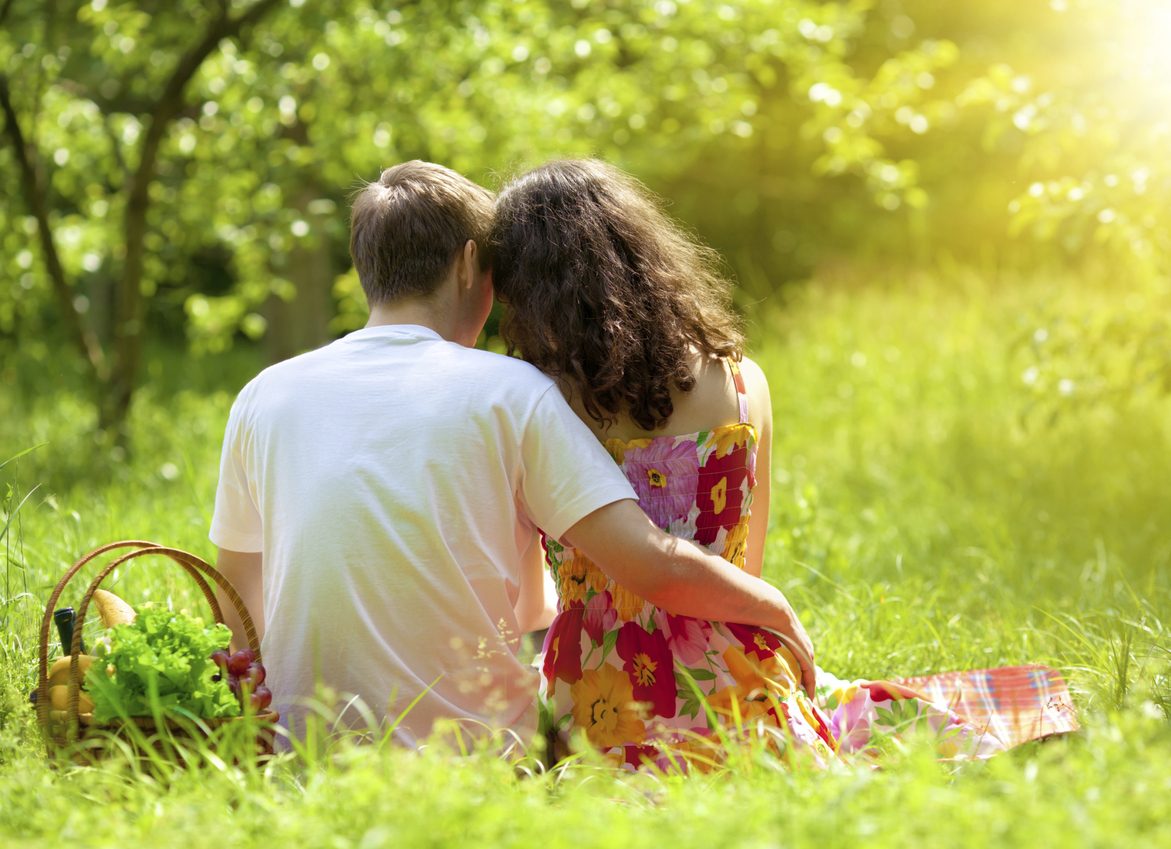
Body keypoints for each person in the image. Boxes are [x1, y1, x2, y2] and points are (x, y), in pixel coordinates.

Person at [208, 160, 817, 752]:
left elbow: (237, 595)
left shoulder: (262, 395)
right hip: (477, 745)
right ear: (471, 263)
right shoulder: (512, 393)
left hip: (299, 744)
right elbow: (656, 566)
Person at [490, 159, 1077, 771]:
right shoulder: (742, 380)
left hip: (599, 692)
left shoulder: (539, 404)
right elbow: (744, 567)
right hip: (738, 670)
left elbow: (533, 598)